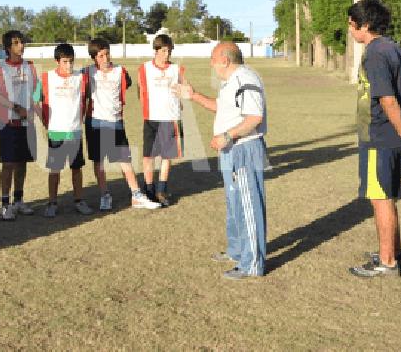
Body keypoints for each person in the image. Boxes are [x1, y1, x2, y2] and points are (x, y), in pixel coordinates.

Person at [345, 0, 401, 278]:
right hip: (390, 137)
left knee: (381, 199)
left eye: (352, 25)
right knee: (386, 197)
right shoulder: (392, 48)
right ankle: (394, 251)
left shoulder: (376, 53)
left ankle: (387, 261)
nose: (350, 30)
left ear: (364, 25)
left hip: (380, 137)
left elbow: (389, 98)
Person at [182, 42, 269, 280]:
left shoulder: (246, 79)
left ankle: (252, 264)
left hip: (243, 148)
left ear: (225, 60)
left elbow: (255, 117)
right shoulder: (231, 82)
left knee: (248, 206)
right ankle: (237, 251)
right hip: (230, 150)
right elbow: (222, 108)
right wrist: (194, 95)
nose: (211, 64)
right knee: (234, 203)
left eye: (213, 59)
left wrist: (228, 136)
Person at [84, 38, 162, 211]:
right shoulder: (86, 72)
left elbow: (129, 86)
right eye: (101, 56)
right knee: (99, 162)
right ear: (94, 58)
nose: (105, 59)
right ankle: (104, 195)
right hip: (95, 122)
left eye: (107, 54)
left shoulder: (121, 71)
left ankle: (136, 195)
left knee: (123, 159)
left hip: (116, 122)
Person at [33, 43, 94, 217]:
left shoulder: (81, 78)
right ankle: (52, 202)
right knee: (55, 169)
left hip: (75, 131)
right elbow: (35, 100)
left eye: (71, 62)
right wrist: (44, 120)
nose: (69, 66)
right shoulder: (46, 78)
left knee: (77, 168)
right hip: (56, 132)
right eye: (65, 62)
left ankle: (79, 200)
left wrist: (81, 117)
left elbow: (88, 98)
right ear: (57, 61)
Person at [0, 30, 40, 220]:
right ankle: (4, 204)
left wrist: (33, 107)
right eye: (17, 43)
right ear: (8, 47)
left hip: (27, 123)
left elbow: (37, 90)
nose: (21, 46)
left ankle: (18, 200)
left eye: (22, 42)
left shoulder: (30, 66)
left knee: (22, 163)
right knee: (8, 164)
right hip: (8, 123)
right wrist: (14, 107)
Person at [136, 34, 187, 206]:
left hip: (170, 118)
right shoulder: (144, 68)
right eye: (164, 50)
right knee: (148, 156)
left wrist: (181, 96)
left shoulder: (176, 69)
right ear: (156, 50)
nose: (167, 54)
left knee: (167, 156)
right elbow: (140, 91)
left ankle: (161, 189)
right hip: (151, 118)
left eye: (169, 51)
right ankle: (149, 190)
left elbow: (185, 89)